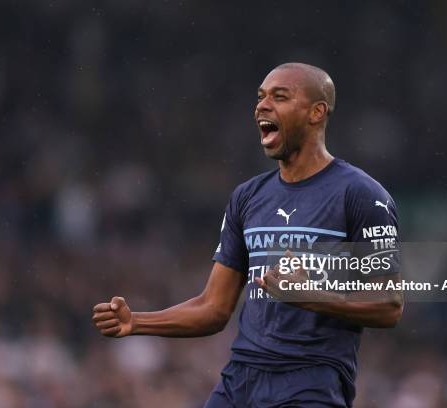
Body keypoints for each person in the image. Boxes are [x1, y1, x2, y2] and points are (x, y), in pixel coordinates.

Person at [92, 62, 403, 407]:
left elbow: (389, 305)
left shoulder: (361, 195)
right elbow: (213, 307)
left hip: (310, 381)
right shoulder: (248, 197)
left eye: (279, 97)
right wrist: (137, 322)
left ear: (316, 112)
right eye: (260, 97)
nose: (262, 106)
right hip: (241, 379)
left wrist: (310, 296)